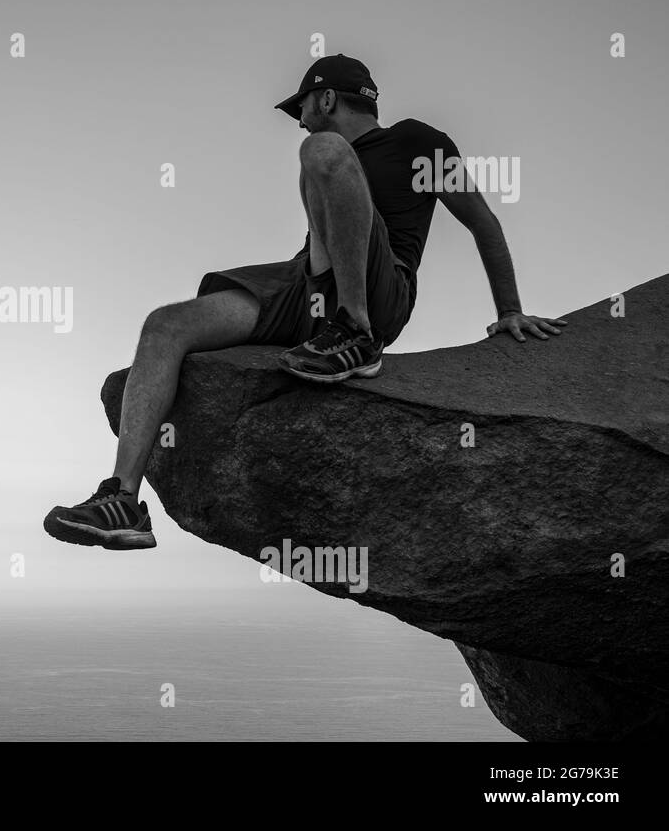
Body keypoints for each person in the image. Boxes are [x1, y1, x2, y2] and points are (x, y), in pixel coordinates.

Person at [43, 54, 567, 551]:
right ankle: (122, 501)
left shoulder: (414, 141)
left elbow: (483, 222)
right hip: (306, 288)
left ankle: (356, 333)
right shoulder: (329, 161)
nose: (300, 122)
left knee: (322, 152)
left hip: (381, 287)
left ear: (326, 100)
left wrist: (510, 310)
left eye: (303, 109)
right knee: (164, 325)